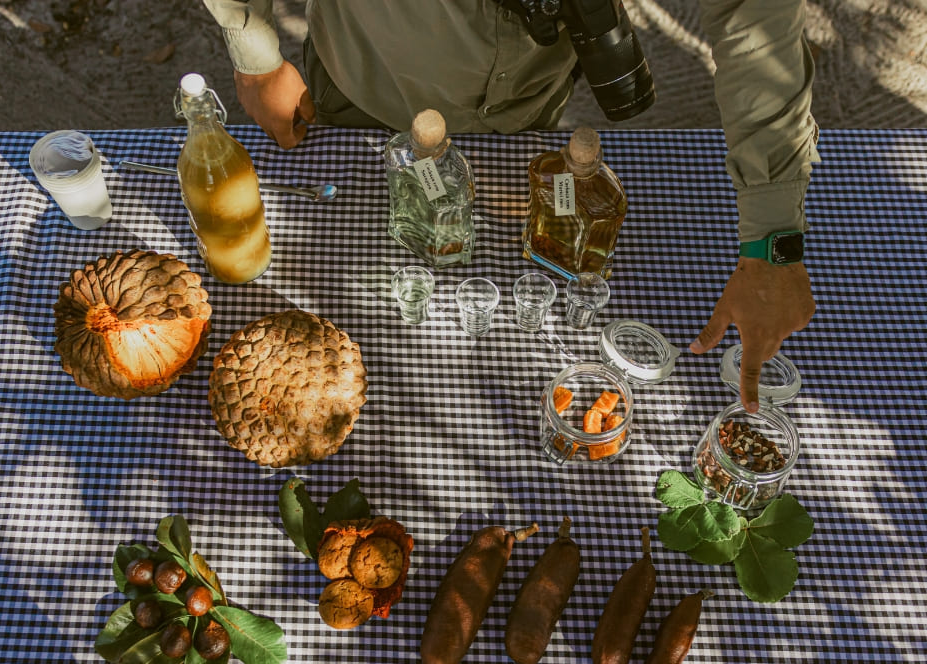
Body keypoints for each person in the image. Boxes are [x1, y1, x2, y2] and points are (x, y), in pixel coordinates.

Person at [202, 0, 818, 413]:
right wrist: (253, 52)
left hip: (528, 104)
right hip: (366, 82)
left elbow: (754, 16)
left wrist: (773, 237)